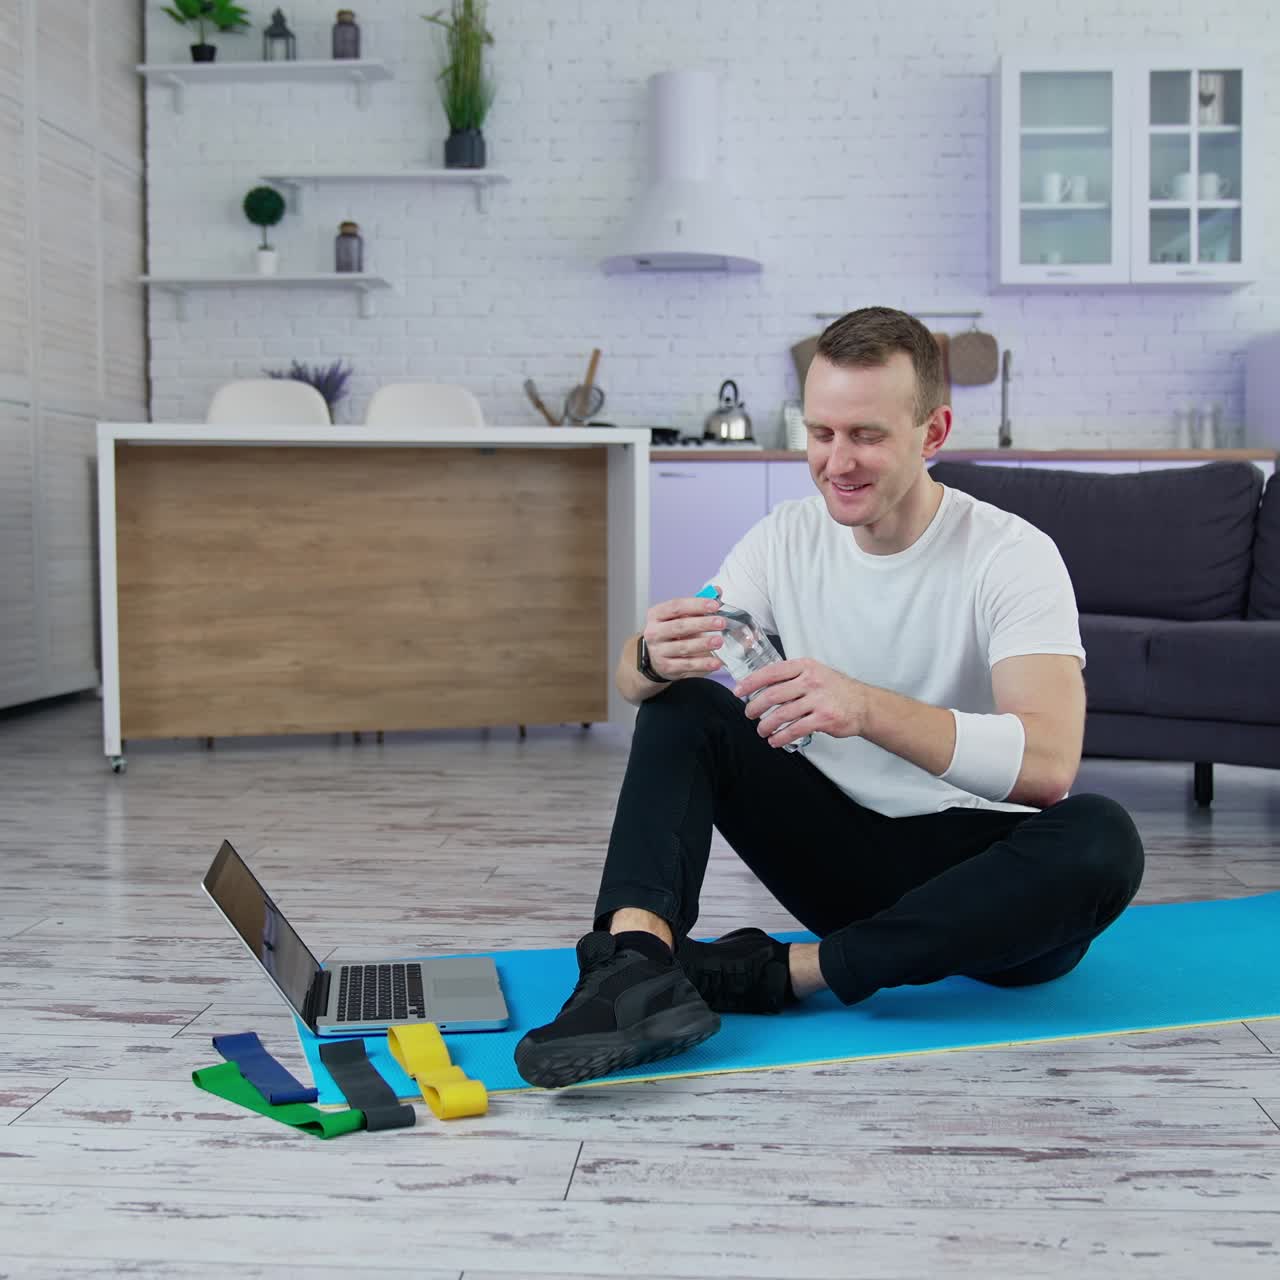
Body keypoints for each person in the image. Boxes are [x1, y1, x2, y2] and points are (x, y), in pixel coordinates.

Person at [514, 306, 1145, 1090]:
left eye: (866, 436)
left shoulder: (1012, 557)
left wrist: (866, 708)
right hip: (839, 857)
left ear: (933, 433)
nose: (836, 462)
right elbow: (635, 682)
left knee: (1102, 839)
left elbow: (1048, 765)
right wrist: (649, 656)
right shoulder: (784, 538)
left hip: (987, 887)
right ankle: (634, 971)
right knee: (681, 706)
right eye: (821, 433)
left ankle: (786, 973)